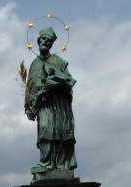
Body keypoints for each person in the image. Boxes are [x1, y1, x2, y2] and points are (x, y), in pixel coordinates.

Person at [25, 27, 77, 172]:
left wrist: (57, 82)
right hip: (43, 102)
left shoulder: (58, 61)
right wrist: (29, 107)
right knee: (44, 127)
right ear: (38, 41)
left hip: (58, 103)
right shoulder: (34, 64)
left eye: (49, 41)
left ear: (52, 44)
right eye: (44, 39)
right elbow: (29, 87)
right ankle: (46, 162)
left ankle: (60, 164)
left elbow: (68, 81)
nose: (46, 42)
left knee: (59, 131)